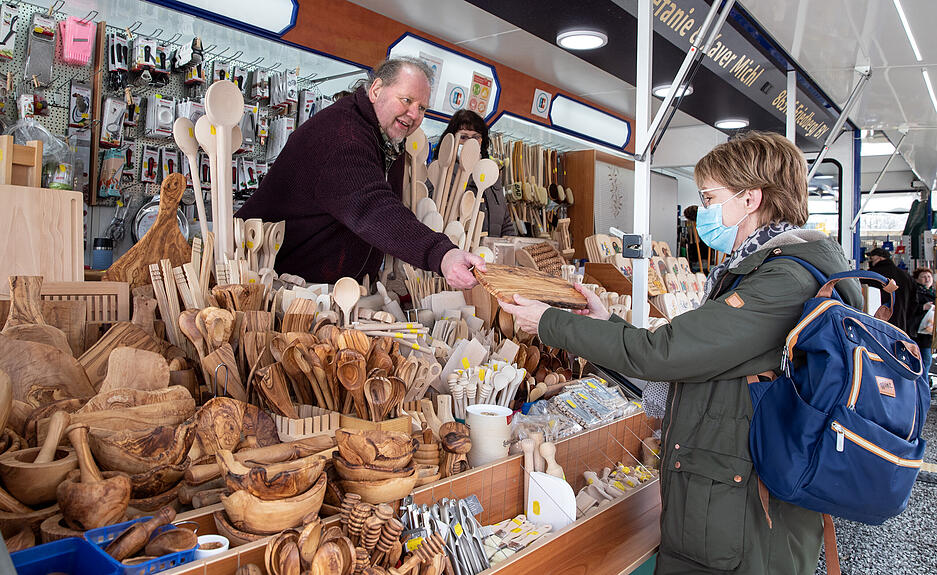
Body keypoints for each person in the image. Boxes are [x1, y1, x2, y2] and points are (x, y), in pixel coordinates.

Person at [500, 131, 861, 574]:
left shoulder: (782, 280)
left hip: (742, 512)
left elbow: (665, 352)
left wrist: (550, 321)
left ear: (750, 199)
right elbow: (690, 356)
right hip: (738, 490)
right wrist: (602, 324)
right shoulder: (773, 268)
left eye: (710, 197)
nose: (702, 212)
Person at [236, 57, 483, 287]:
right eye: (407, 100)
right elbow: (375, 210)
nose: (414, 115)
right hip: (272, 282)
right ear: (376, 90)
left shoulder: (387, 139)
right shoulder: (344, 138)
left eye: (422, 108)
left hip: (325, 288)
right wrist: (442, 254)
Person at [430, 110, 516, 238]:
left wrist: (508, 248)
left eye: (476, 137)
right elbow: (433, 215)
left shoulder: (491, 173)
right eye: (463, 137)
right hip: (454, 251)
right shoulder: (440, 170)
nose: (470, 142)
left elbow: (505, 221)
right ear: (452, 138)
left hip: (488, 253)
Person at [867, 247, 914, 333]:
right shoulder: (905, 275)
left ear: (880, 258)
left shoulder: (873, 274)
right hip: (901, 321)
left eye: (872, 257)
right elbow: (914, 300)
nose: (870, 260)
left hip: (878, 320)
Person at [910, 267, 934, 379]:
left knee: (926, 360)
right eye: (923, 277)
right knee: (924, 360)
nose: (927, 279)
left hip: (929, 333)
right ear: (917, 279)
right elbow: (910, 309)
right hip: (918, 333)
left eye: (929, 276)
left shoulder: (932, 293)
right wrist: (923, 307)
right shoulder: (915, 292)